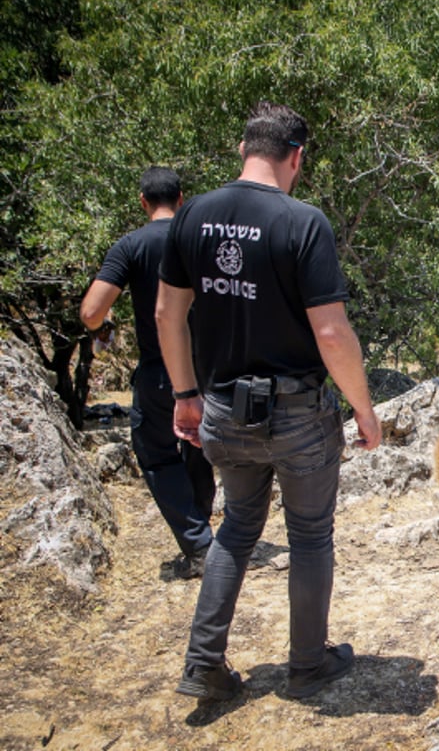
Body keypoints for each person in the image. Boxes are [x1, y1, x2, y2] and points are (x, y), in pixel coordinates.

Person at [156, 101, 382, 702]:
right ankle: (307, 665)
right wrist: (363, 408)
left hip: (223, 408)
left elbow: (166, 314)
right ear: (297, 158)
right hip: (298, 412)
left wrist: (184, 394)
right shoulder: (303, 222)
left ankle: (204, 664)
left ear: (243, 149)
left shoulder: (193, 214)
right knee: (309, 535)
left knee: (234, 530)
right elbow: (331, 334)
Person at [80, 167, 216, 580]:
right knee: (200, 451)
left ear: (143, 201)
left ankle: (200, 545)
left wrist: (105, 326)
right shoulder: (201, 241)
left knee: (156, 456)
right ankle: (203, 540)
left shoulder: (130, 246)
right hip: (209, 371)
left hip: (160, 373)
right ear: (181, 197)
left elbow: (90, 313)